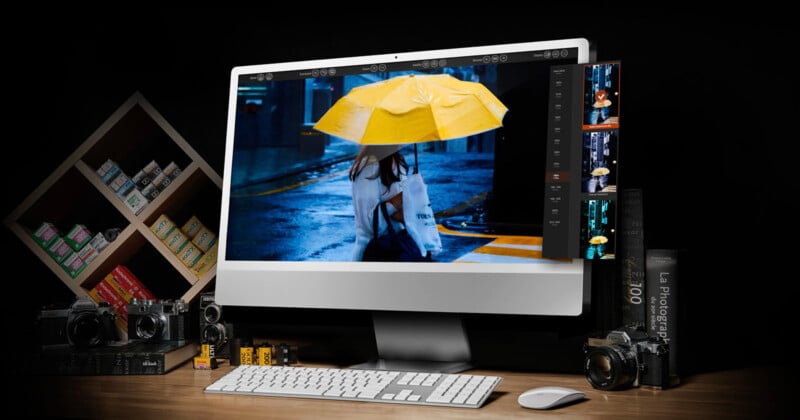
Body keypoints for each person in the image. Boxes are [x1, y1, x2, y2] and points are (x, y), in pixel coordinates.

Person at [349, 145, 409, 261]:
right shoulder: (368, 168)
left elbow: (401, 214)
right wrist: (398, 200)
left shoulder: (398, 162)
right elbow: (371, 225)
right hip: (373, 254)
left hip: (399, 247)